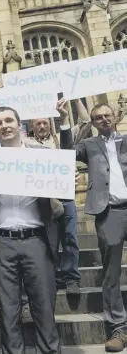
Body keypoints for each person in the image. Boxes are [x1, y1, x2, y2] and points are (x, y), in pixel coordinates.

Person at [0, 106, 61, 354]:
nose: (4, 126)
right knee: (8, 311)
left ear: (19, 124)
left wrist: (65, 183)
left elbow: (60, 186)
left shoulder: (42, 155)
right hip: (2, 243)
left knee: (44, 309)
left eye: (9, 120)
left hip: (36, 239)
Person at [61, 102, 127, 352]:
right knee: (110, 275)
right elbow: (66, 151)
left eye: (107, 115)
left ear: (115, 116)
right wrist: (64, 120)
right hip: (108, 212)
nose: (104, 120)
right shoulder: (89, 145)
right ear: (94, 122)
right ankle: (118, 328)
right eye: (98, 117)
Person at [25, 98, 91, 294]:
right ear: (32, 126)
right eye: (38, 123)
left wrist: (75, 97)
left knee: (70, 238)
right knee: (48, 241)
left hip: (65, 197)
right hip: (43, 200)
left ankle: (71, 278)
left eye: (45, 122)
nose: (43, 126)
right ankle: (52, 276)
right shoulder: (25, 144)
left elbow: (86, 123)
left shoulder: (61, 138)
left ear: (51, 123)